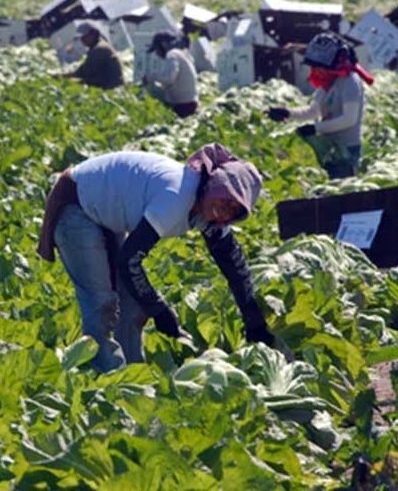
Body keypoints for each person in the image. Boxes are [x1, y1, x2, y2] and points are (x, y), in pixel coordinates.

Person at [36, 144, 275, 373]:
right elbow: (129, 261)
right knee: (101, 303)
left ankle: (130, 375)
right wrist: (160, 311)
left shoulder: (208, 210)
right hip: (75, 205)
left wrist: (255, 322)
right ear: (215, 185)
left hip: (103, 211)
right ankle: (106, 380)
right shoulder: (178, 196)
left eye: (234, 209)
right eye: (226, 198)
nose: (225, 209)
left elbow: (232, 263)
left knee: (131, 304)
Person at [266, 32, 374, 179]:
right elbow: (313, 111)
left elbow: (349, 119)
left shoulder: (350, 82)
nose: (317, 71)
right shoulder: (328, 83)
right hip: (329, 147)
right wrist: (287, 113)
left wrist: (316, 128)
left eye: (320, 67)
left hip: (345, 151)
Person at [141, 32, 198, 118]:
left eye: (156, 49)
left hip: (182, 105)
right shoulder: (182, 53)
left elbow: (169, 79)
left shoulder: (172, 55)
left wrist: (150, 76)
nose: (157, 53)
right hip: (191, 102)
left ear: (163, 45)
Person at [66, 21, 124, 90]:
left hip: (112, 89)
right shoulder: (99, 46)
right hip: (109, 87)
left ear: (94, 33)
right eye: (81, 37)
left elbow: (82, 73)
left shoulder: (99, 49)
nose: (83, 40)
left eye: (85, 36)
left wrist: (59, 77)